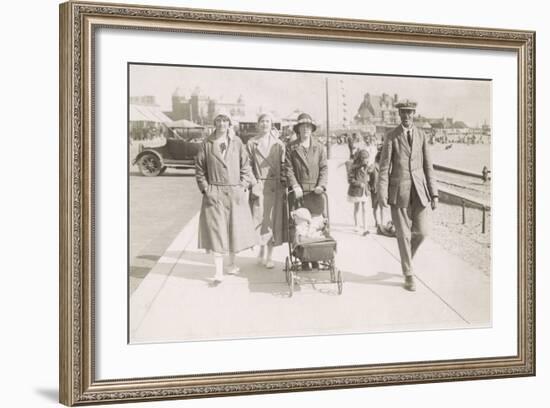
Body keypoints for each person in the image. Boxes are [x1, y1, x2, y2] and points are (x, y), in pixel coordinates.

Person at [377, 100, 439, 291]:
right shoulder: (391, 136)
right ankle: (409, 275)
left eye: (410, 113)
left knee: (422, 232)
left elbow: (428, 166)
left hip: (420, 191)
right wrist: (382, 195)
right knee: (403, 234)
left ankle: (406, 259)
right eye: (403, 113)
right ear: (399, 114)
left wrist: (434, 193)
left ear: (414, 114)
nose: (407, 116)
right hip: (399, 193)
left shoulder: (421, 135)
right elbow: (384, 168)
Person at [195, 112, 257, 284]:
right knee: (217, 231)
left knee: (233, 230)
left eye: (225, 120)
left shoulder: (237, 143)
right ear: (214, 123)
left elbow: (246, 165)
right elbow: (199, 169)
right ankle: (218, 272)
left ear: (229, 123)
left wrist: (244, 185)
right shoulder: (206, 144)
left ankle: (232, 264)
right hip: (215, 192)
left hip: (235, 192)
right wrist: (206, 189)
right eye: (219, 120)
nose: (222, 124)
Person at [285, 112, 328, 270]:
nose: (305, 130)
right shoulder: (291, 147)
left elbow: (324, 168)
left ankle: (315, 256)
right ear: (298, 129)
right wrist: (295, 186)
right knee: (300, 225)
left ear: (312, 129)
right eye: (302, 127)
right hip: (299, 194)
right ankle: (303, 258)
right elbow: (288, 169)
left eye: (308, 127)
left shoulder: (320, 147)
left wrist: (321, 186)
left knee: (315, 225)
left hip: (315, 194)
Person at [247, 113, 287, 269]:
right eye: (262, 121)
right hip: (259, 186)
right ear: (258, 124)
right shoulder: (252, 143)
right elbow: (246, 165)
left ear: (272, 124)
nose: (265, 124)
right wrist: (254, 182)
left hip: (274, 187)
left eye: (267, 121)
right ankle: (261, 250)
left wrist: (283, 184)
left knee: (271, 221)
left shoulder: (279, 144)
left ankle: (269, 255)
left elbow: (284, 166)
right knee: (260, 220)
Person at [347, 148, 371, 234]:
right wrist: (358, 183)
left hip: (365, 191)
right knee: (356, 208)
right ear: (361, 159)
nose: (367, 160)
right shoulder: (354, 168)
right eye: (366, 159)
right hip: (356, 191)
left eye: (368, 158)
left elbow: (369, 176)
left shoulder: (367, 167)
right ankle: (356, 225)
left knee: (365, 209)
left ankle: (365, 226)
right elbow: (350, 179)